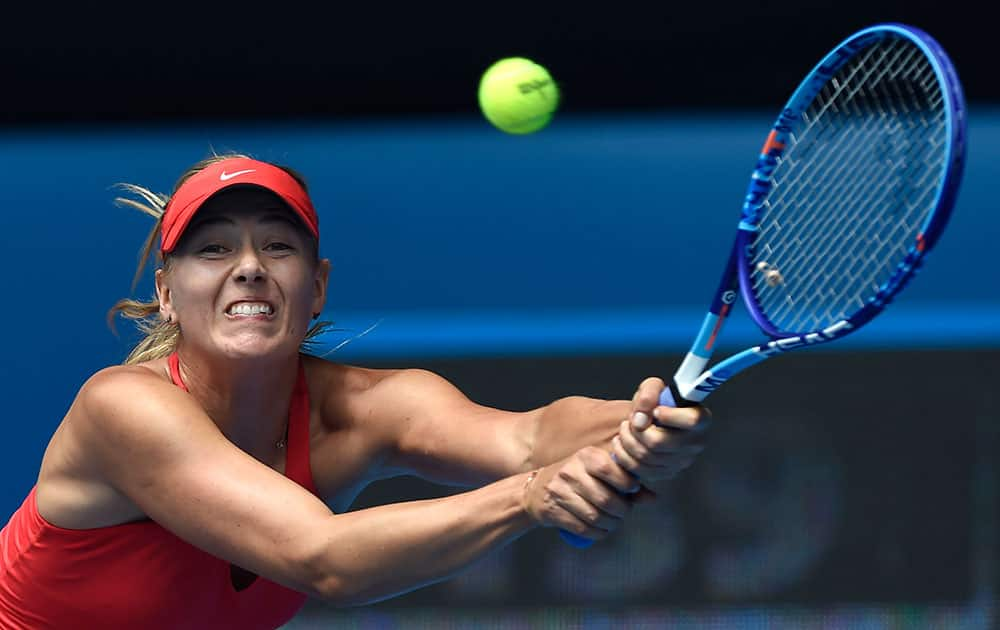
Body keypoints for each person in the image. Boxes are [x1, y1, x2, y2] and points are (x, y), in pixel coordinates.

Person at [0, 154, 710, 629]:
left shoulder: (369, 408)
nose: (249, 267)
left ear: (318, 289)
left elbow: (526, 437)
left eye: (278, 246)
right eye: (214, 248)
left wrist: (636, 426)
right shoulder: (121, 408)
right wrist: (531, 495)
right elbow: (323, 559)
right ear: (165, 295)